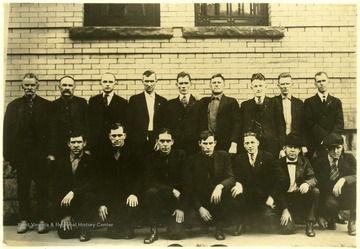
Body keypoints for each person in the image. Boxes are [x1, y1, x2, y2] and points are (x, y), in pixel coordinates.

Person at [3, 72, 51, 234]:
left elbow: (53, 132)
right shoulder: (13, 106)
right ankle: (24, 220)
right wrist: (8, 157)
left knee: (42, 189)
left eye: (32, 85)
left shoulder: (46, 106)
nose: (29, 88)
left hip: (41, 156)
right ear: (22, 86)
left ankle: (42, 220)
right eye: (26, 85)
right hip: (21, 157)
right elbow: (6, 133)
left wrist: (50, 154)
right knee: (22, 189)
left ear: (37, 86)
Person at [231, 132, 284, 235]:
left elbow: (280, 178)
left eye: (252, 142)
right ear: (244, 145)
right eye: (247, 143)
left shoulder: (268, 157)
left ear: (258, 143)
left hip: (264, 199)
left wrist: (272, 197)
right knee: (235, 194)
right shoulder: (239, 159)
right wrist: (238, 183)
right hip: (247, 198)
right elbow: (235, 176)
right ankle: (241, 223)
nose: (250, 146)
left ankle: (256, 220)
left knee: (269, 225)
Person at [187, 131, 235, 240]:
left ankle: (219, 228)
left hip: (218, 198)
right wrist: (200, 208)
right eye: (205, 143)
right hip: (201, 200)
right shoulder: (192, 160)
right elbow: (189, 187)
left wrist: (220, 186)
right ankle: (204, 223)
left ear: (215, 143)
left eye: (210, 143)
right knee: (191, 219)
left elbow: (231, 178)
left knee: (226, 198)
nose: (208, 147)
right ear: (199, 143)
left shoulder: (223, 155)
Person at [143, 128, 188, 244]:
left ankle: (171, 223)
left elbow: (187, 182)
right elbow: (149, 181)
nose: (165, 144)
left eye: (168, 141)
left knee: (176, 235)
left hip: (175, 200)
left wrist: (181, 207)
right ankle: (154, 230)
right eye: (162, 141)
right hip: (160, 197)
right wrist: (171, 189)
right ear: (157, 141)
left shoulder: (181, 154)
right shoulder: (151, 157)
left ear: (172, 141)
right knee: (150, 192)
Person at [97, 123, 141, 239]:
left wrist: (134, 193)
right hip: (112, 197)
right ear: (109, 136)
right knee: (113, 234)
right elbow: (100, 180)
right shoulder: (104, 154)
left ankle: (128, 224)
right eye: (114, 135)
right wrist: (102, 203)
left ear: (125, 135)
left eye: (119, 135)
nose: (116, 138)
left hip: (129, 195)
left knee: (127, 233)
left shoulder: (134, 152)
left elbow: (140, 177)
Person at [53, 133, 98, 242]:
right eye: (73, 142)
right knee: (64, 234)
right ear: (68, 144)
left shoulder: (91, 161)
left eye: (79, 142)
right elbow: (56, 189)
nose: (76, 145)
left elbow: (93, 183)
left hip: (83, 202)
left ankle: (85, 228)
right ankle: (75, 222)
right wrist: (65, 215)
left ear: (84, 143)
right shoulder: (61, 162)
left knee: (89, 195)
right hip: (67, 206)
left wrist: (74, 192)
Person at [275, 133, 319, 237]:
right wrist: (284, 209)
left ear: (299, 150)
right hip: (285, 199)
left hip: (299, 197)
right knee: (287, 229)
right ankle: (291, 218)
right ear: (284, 148)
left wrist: (307, 184)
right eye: (290, 147)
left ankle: (310, 223)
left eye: (296, 148)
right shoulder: (278, 163)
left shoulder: (305, 161)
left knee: (315, 191)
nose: (292, 150)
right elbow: (276, 189)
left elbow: (313, 178)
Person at [312, 133, 356, 236]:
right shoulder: (320, 162)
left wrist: (343, 179)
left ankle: (352, 221)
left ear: (342, 147)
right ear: (327, 149)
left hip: (347, 194)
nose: (336, 151)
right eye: (332, 149)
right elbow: (317, 187)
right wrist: (319, 215)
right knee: (329, 203)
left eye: (338, 148)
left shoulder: (349, 158)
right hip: (329, 196)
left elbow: (357, 174)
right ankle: (331, 217)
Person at [239, 73, 284, 157]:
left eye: (260, 86)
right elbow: (241, 127)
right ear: (251, 88)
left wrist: (282, 148)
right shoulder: (245, 105)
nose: (258, 89)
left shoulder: (274, 103)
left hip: (270, 144)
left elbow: (280, 126)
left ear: (265, 87)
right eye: (255, 86)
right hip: (252, 145)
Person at [164, 72, 207, 156]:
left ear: (190, 84)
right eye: (181, 83)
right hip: (176, 146)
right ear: (176, 85)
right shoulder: (170, 104)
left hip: (194, 146)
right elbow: (167, 125)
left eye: (186, 83)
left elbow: (203, 125)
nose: (183, 86)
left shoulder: (199, 104)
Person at [88, 73, 128, 160]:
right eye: (105, 81)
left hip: (114, 144)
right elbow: (90, 124)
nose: (107, 84)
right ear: (100, 83)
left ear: (115, 83)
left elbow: (125, 125)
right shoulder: (93, 101)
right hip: (97, 145)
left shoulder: (122, 102)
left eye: (110, 82)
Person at [48, 76, 89, 161]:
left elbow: (87, 126)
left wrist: (87, 148)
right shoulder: (53, 105)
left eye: (70, 85)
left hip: (79, 148)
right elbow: (52, 130)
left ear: (74, 87)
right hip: (60, 149)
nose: (67, 88)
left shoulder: (81, 103)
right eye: (64, 85)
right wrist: (52, 152)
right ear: (59, 87)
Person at [304, 72, 344, 157]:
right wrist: (324, 138)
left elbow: (339, 122)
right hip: (316, 143)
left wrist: (331, 139)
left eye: (323, 81)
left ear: (328, 82)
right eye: (319, 81)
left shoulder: (336, 102)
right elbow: (308, 123)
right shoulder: (309, 102)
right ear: (315, 84)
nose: (321, 83)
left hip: (334, 144)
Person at [127, 70, 167, 156]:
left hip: (155, 139)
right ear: (142, 81)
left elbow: (164, 123)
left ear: (156, 81)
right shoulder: (134, 100)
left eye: (152, 81)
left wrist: (159, 140)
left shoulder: (162, 101)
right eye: (146, 81)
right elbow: (130, 123)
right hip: (138, 140)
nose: (149, 84)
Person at [199, 73, 241, 154]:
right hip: (208, 143)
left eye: (219, 82)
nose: (216, 85)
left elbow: (237, 124)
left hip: (225, 143)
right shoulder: (203, 101)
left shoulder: (231, 102)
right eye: (214, 83)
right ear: (210, 86)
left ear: (224, 85)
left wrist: (234, 143)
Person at [274, 73, 308, 157]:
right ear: (278, 85)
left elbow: (303, 126)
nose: (285, 86)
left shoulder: (299, 103)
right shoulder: (273, 102)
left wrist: (303, 144)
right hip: (278, 145)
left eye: (287, 84)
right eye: (282, 84)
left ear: (292, 84)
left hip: (295, 144)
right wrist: (280, 148)